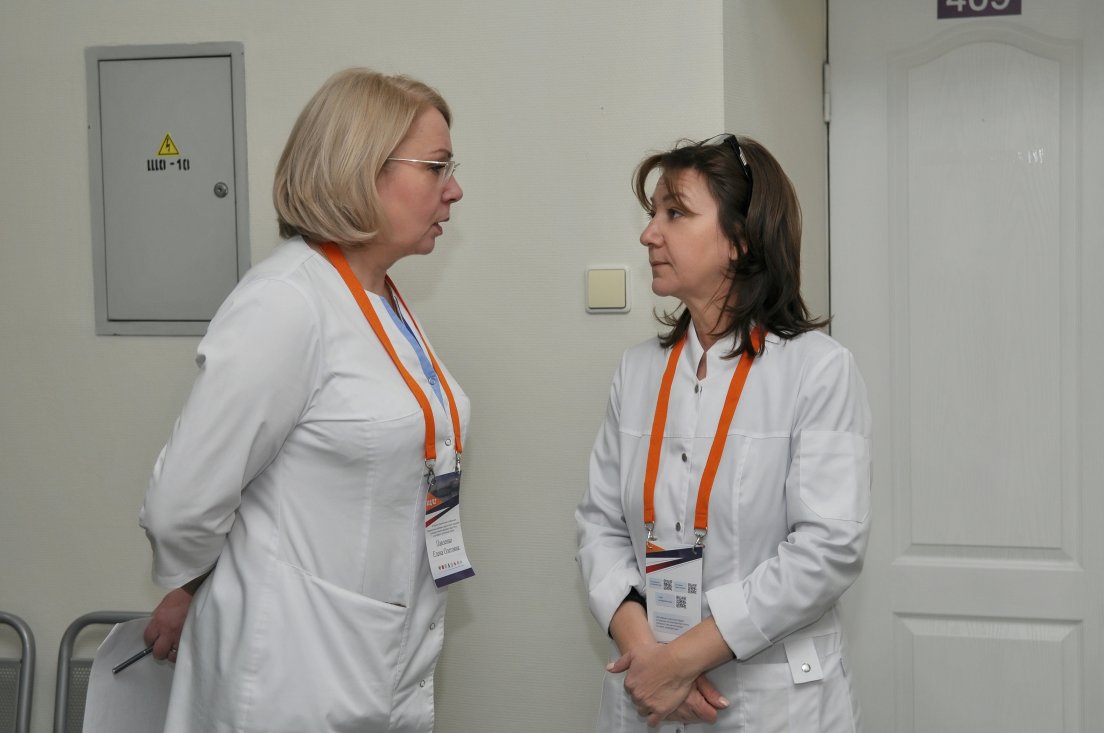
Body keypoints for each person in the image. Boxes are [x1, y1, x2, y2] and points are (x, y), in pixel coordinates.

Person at [139, 67, 471, 732]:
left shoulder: (377, 296)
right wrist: (211, 584)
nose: (454, 189)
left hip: (375, 654)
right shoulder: (285, 301)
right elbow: (182, 506)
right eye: (437, 167)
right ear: (361, 169)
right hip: (289, 672)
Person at [576, 135, 871, 732]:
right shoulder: (638, 371)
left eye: (675, 213)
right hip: (648, 693)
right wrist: (651, 660)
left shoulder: (817, 370)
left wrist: (680, 662)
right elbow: (599, 527)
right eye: (652, 213)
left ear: (740, 239)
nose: (649, 234)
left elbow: (827, 549)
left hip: (773, 699)